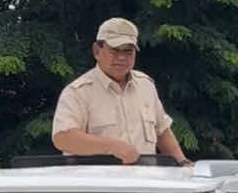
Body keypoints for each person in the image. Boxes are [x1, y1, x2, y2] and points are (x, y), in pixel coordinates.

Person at [51, 17, 187, 165]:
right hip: (99, 185)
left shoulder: (146, 85)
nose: (122, 57)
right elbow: (63, 138)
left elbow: (162, 132)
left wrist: (184, 164)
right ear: (97, 51)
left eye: (128, 51)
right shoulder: (78, 92)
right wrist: (110, 146)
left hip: (145, 184)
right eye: (114, 50)